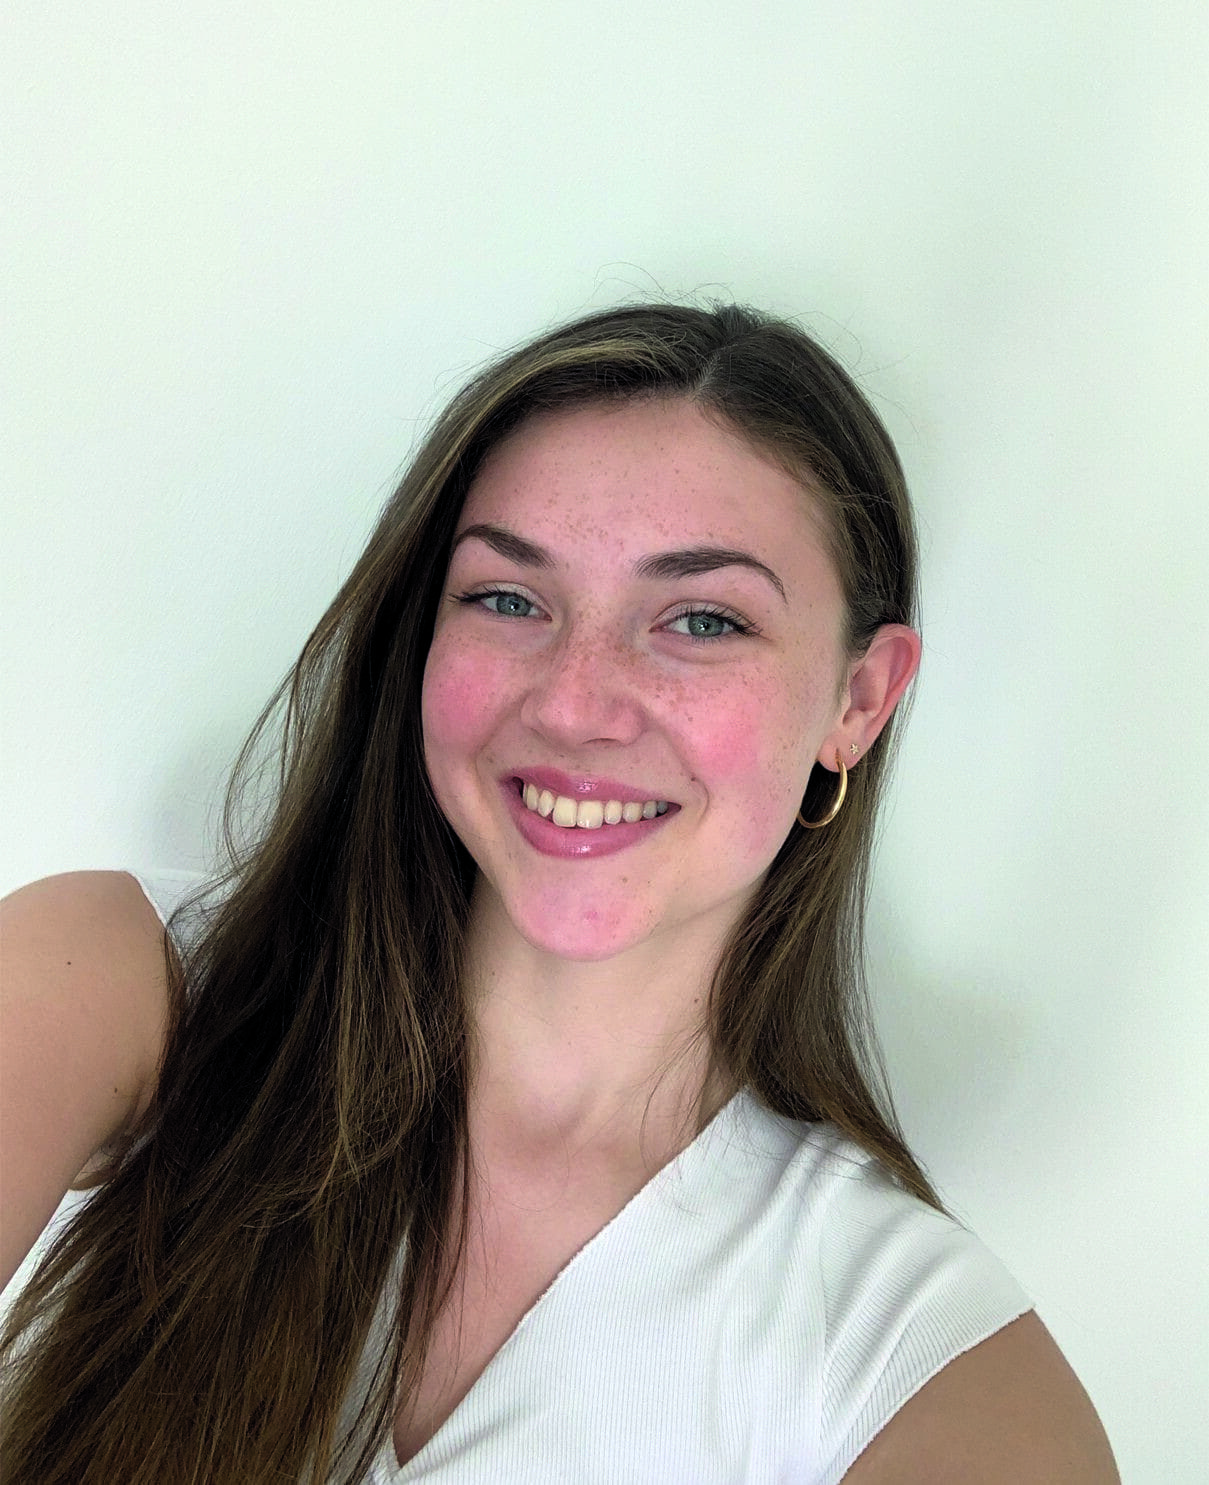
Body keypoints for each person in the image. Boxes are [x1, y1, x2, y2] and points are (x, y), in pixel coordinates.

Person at [0, 302, 1118, 1483]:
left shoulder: (913, 1352)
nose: (576, 705)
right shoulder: (117, 984)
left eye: (702, 620)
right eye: (509, 599)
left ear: (859, 701)